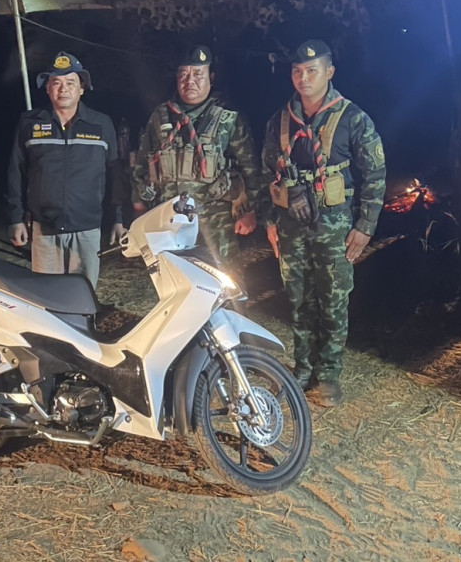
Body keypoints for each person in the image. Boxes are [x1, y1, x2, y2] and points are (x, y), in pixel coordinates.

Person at [261, 39, 386, 407]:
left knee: (333, 300)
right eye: (297, 71)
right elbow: (266, 172)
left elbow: (375, 172)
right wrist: (270, 220)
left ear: (329, 72)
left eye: (311, 70)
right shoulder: (280, 121)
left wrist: (365, 225)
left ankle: (328, 374)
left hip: (335, 228)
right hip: (291, 226)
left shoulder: (352, 118)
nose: (303, 78)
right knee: (298, 300)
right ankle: (303, 369)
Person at [131, 45, 261, 268]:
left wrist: (249, 211)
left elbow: (250, 167)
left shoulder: (228, 118)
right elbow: (142, 164)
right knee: (173, 278)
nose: (189, 81)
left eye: (198, 74)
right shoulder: (160, 117)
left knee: (224, 280)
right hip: (170, 220)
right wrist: (139, 207)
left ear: (211, 77)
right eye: (183, 74)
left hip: (216, 221)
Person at [6, 52, 126, 288]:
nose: (63, 89)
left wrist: (119, 218)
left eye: (71, 83)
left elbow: (116, 176)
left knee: (84, 293)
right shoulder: (30, 123)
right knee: (47, 294)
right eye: (56, 82)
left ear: (82, 88)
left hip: (87, 228)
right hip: (44, 228)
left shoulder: (101, 124)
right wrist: (15, 218)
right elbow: (15, 173)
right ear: (47, 88)